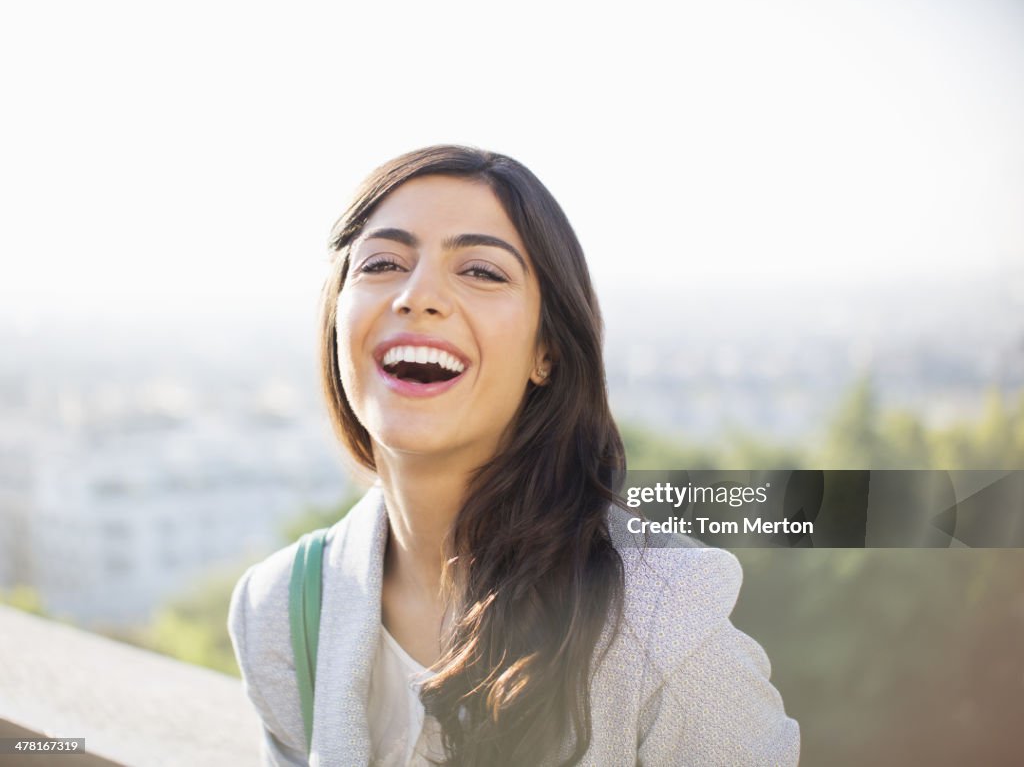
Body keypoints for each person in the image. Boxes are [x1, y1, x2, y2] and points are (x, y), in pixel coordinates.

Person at [228, 145, 800, 766]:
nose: (418, 296)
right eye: (383, 263)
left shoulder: (663, 631)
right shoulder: (281, 613)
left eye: (481, 271)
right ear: (338, 319)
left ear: (545, 353)